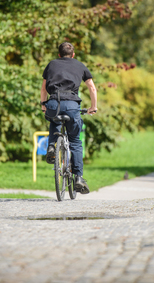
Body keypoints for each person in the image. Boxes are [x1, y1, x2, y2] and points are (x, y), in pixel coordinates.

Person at [40, 42, 97, 194]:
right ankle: (78, 177)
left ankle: (52, 145)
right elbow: (91, 87)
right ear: (73, 55)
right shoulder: (80, 65)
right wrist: (93, 107)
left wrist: (43, 104)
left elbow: (44, 87)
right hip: (72, 106)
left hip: (54, 104)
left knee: (54, 119)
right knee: (75, 142)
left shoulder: (51, 64)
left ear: (59, 54)